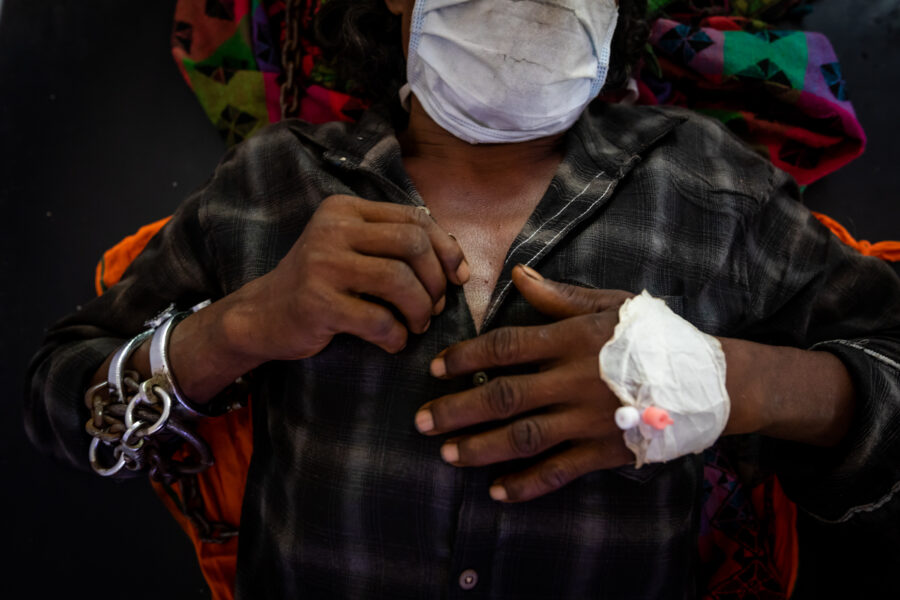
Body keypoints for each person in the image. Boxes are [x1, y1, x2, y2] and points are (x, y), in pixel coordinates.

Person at [25, 0, 900, 597]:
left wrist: (726, 380)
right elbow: (63, 406)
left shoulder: (707, 184)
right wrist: (239, 328)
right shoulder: (274, 183)